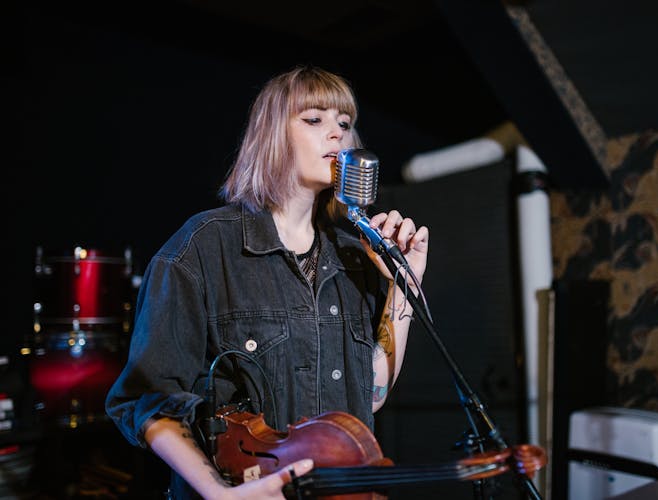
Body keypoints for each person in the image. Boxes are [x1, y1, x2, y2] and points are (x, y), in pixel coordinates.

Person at [105, 65, 429, 499]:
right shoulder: (204, 247)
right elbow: (147, 399)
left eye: (345, 124)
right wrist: (217, 493)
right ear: (272, 134)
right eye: (314, 119)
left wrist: (402, 285)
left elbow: (368, 398)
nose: (337, 134)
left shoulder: (354, 255)